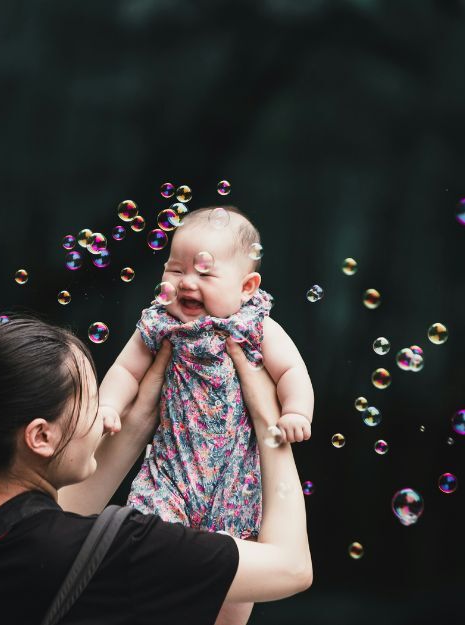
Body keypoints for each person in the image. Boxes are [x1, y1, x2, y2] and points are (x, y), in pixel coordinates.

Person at [0, 317, 311, 624]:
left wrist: (143, 416)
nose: (103, 418)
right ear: (40, 437)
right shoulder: (124, 550)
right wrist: (267, 423)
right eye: (92, 403)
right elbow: (291, 568)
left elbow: (49, 530)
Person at [96, 206, 315, 624]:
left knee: (236, 594)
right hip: (171, 475)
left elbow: (292, 371)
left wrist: (295, 411)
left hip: (234, 484)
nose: (187, 283)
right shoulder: (160, 324)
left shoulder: (255, 325)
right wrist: (109, 405)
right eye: (176, 270)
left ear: (247, 286)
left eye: (204, 274)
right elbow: (126, 370)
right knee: (154, 563)